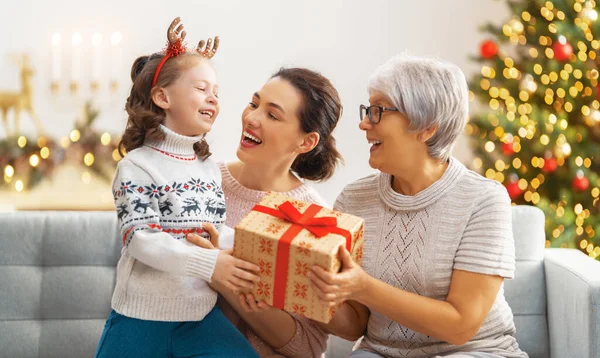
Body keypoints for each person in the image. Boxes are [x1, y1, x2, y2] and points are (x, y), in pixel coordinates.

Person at [308, 54, 528, 358]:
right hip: (381, 352)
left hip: (474, 351)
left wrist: (362, 287)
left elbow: (460, 325)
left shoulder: (483, 200)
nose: (363, 123)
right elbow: (355, 324)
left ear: (426, 127)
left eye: (377, 111)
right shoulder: (353, 199)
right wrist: (301, 293)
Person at [94, 17, 260, 358]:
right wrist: (211, 264)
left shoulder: (208, 168)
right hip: (138, 320)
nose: (213, 98)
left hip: (200, 318)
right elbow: (142, 240)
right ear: (162, 96)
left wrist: (257, 247)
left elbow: (214, 231)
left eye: (216, 92)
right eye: (201, 89)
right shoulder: (136, 166)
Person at [187, 67, 343, 357]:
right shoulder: (201, 178)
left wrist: (224, 278)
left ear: (306, 142)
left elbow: (308, 346)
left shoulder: (311, 217)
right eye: (254, 103)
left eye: (272, 115)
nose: (252, 118)